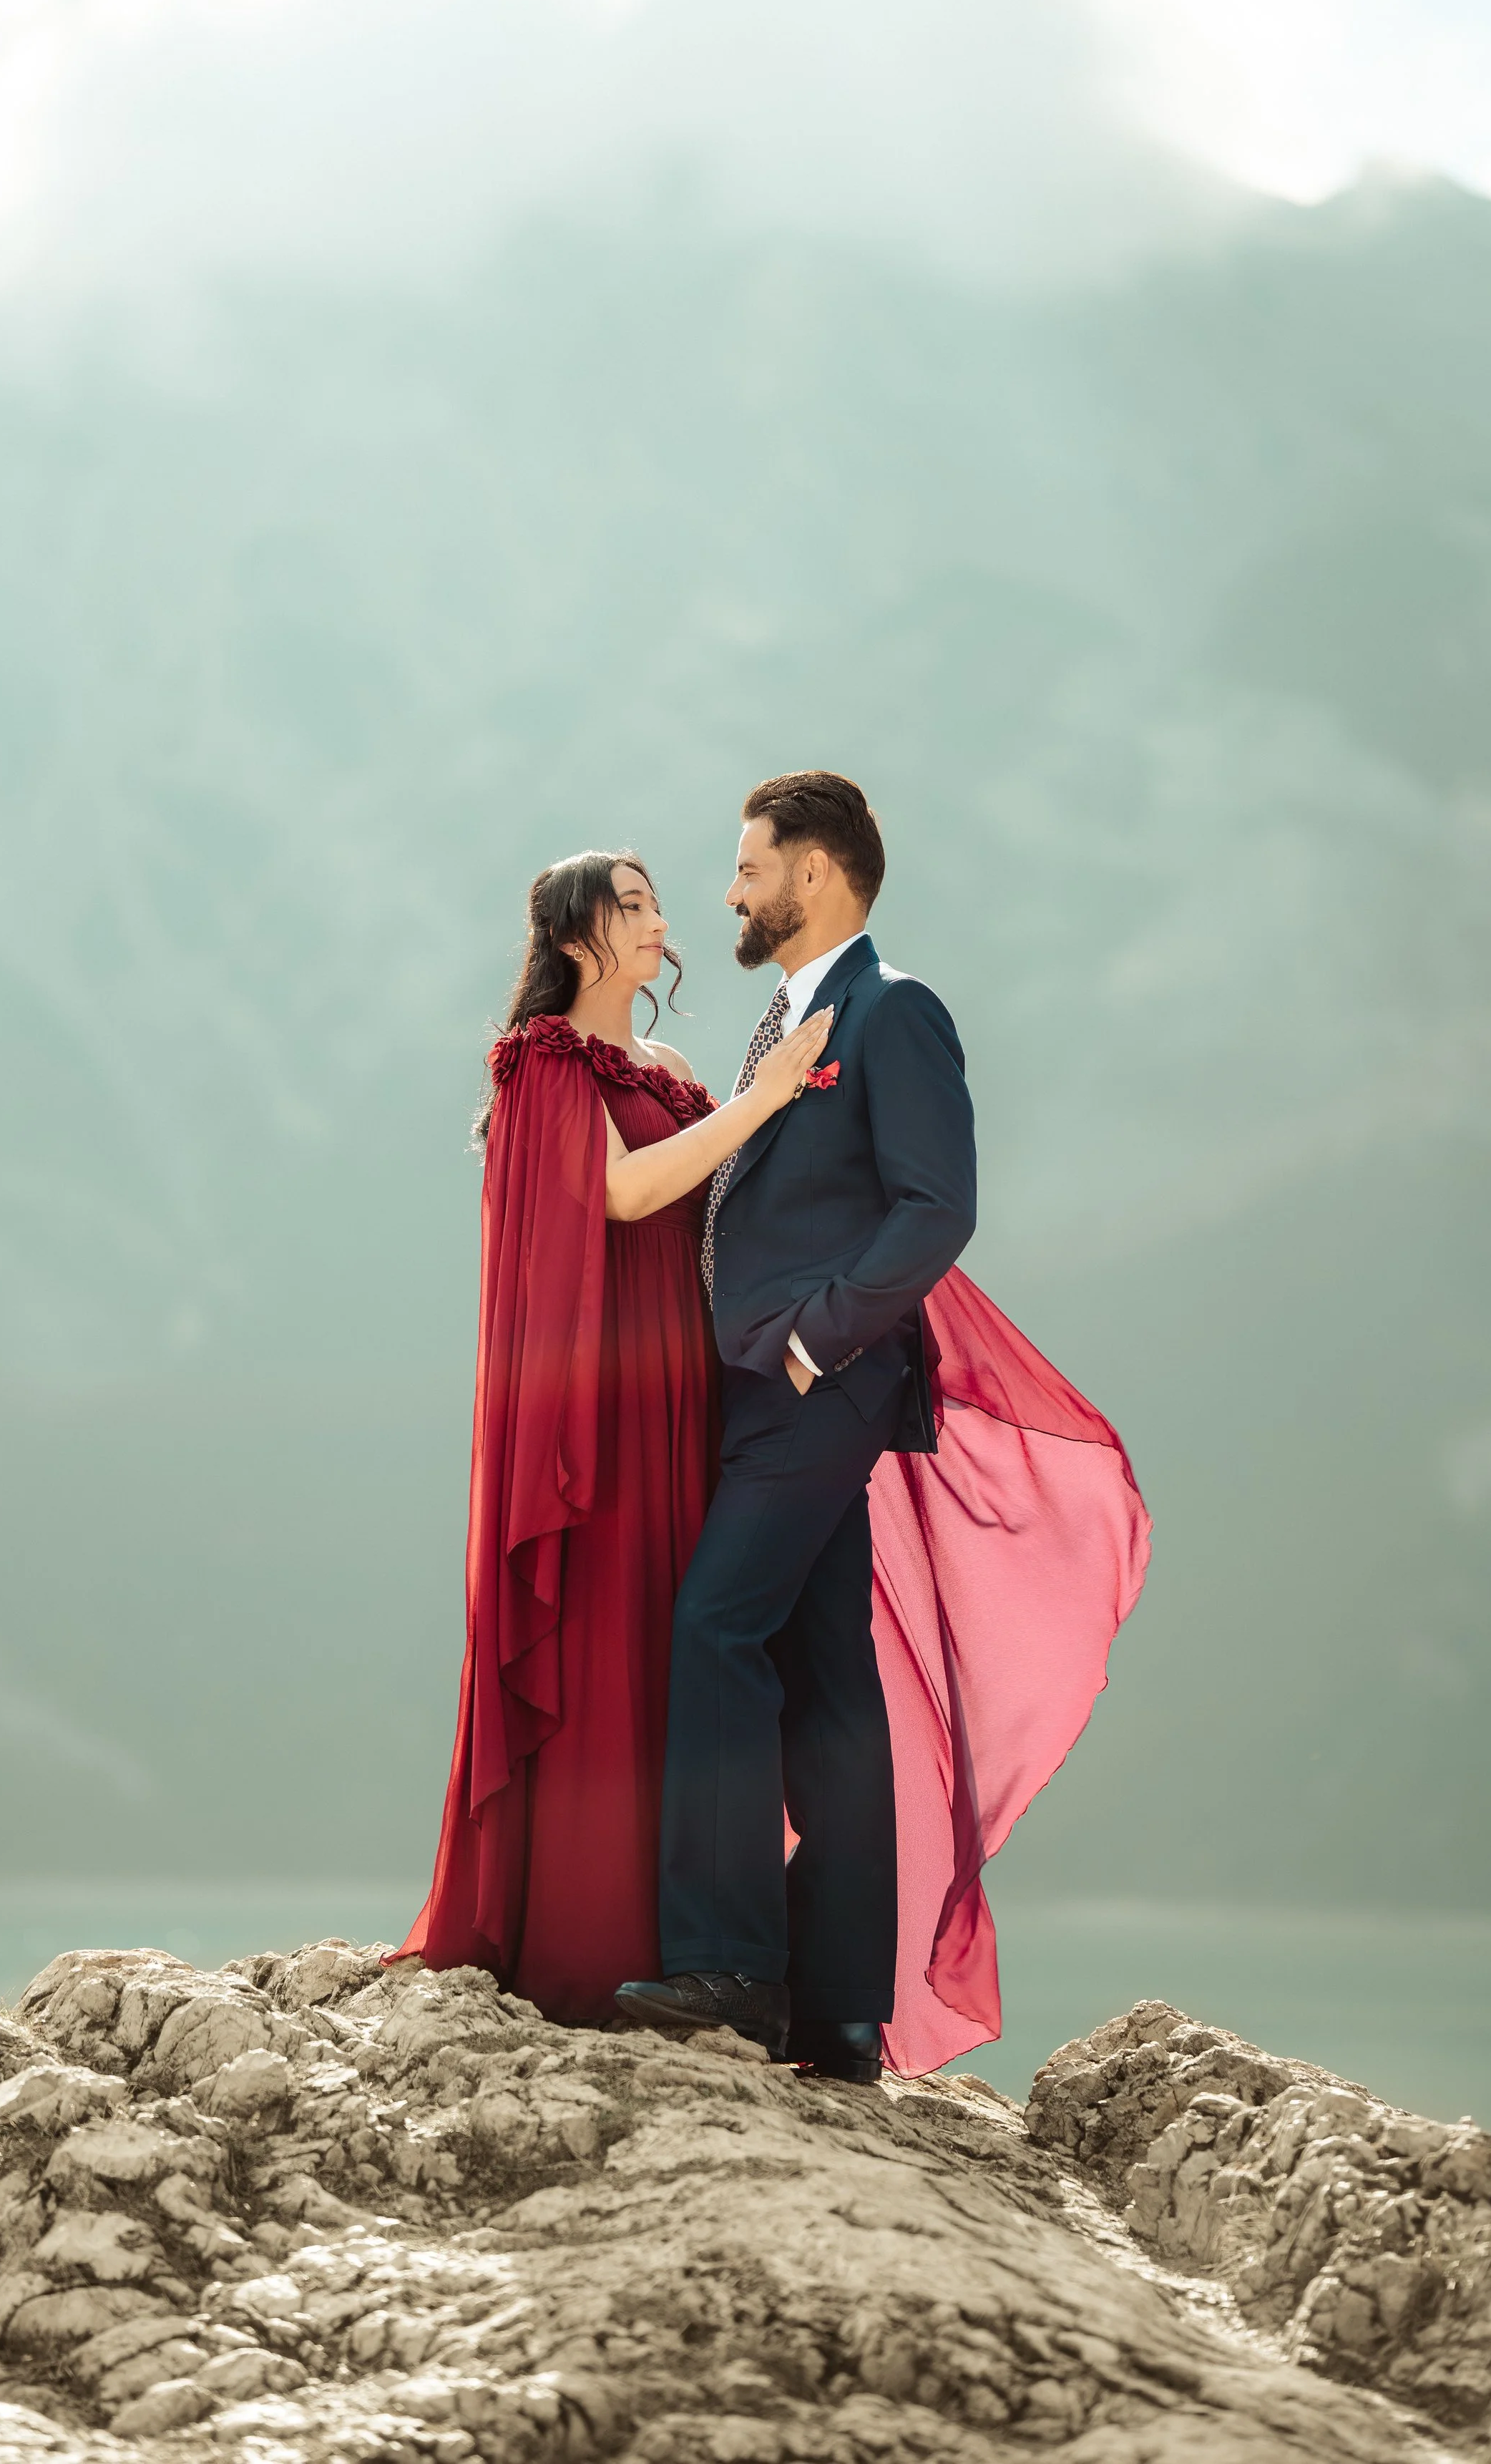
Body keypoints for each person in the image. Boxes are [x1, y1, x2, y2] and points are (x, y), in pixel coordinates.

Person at [409, 804, 1150, 2080]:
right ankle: (844, 2009)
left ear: (812, 871)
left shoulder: (882, 1011)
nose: (715, 898)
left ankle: (734, 1966)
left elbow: (935, 1207)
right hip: (731, 1398)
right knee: (830, 1683)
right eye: (650, 899)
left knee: (715, 1628)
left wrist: (821, 1342)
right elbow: (653, 1195)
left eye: (745, 868)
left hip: (805, 1388)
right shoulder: (727, 1041)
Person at [400, 849, 832, 2022]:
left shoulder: (673, 1065)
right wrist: (769, 1095)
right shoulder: (541, 1060)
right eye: (629, 906)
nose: (656, 921)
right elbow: (627, 1194)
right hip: (601, 1405)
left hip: (687, 1386)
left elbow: (723, 1195)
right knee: (608, 1639)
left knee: (680, 1648)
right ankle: (583, 1940)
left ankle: (687, 1941)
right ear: (578, 938)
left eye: (655, 902)